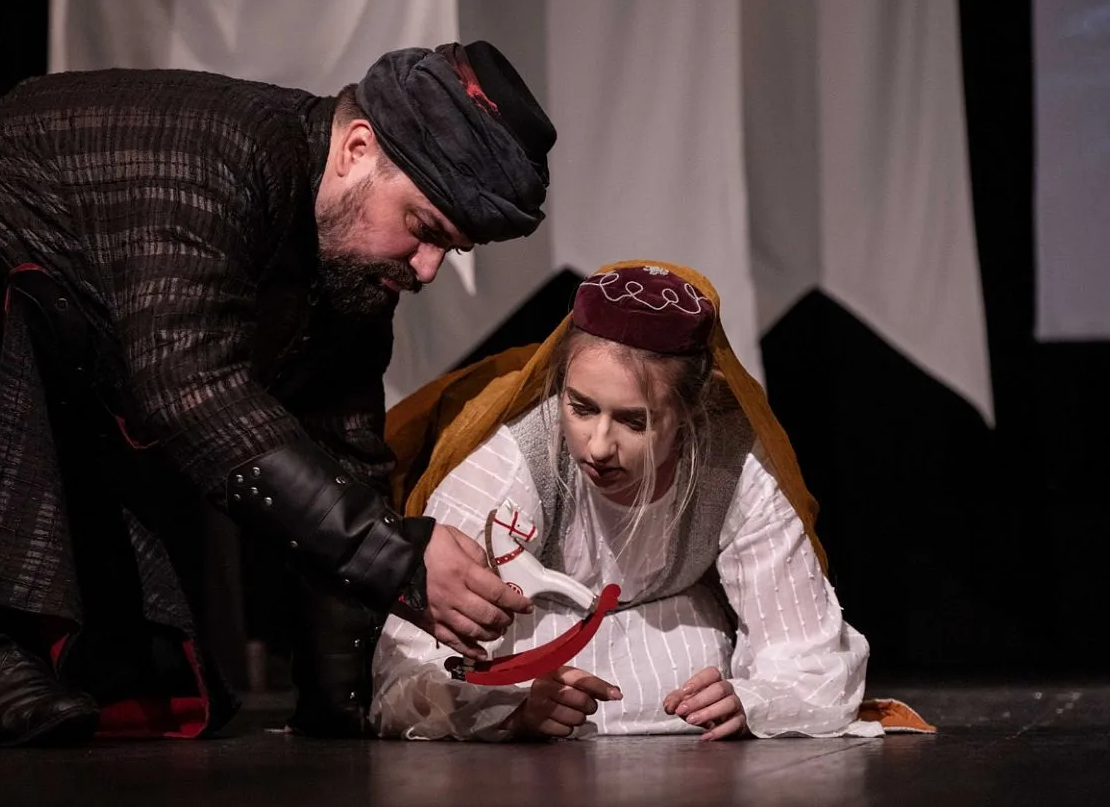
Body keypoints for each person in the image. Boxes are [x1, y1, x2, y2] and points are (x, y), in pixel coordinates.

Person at [0, 41, 551, 744]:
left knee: (145, 673)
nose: (426, 269)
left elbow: (344, 458)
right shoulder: (216, 153)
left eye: (451, 250)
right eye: (424, 229)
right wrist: (396, 555)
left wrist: (349, 699)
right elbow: (189, 390)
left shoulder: (349, 274)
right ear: (357, 148)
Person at [372, 261, 916, 741]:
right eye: (581, 408)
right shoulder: (513, 457)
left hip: (687, 734)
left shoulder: (730, 465)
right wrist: (508, 711)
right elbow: (409, 670)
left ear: (691, 411)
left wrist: (752, 700)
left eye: (635, 421)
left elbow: (810, 657)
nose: (598, 446)